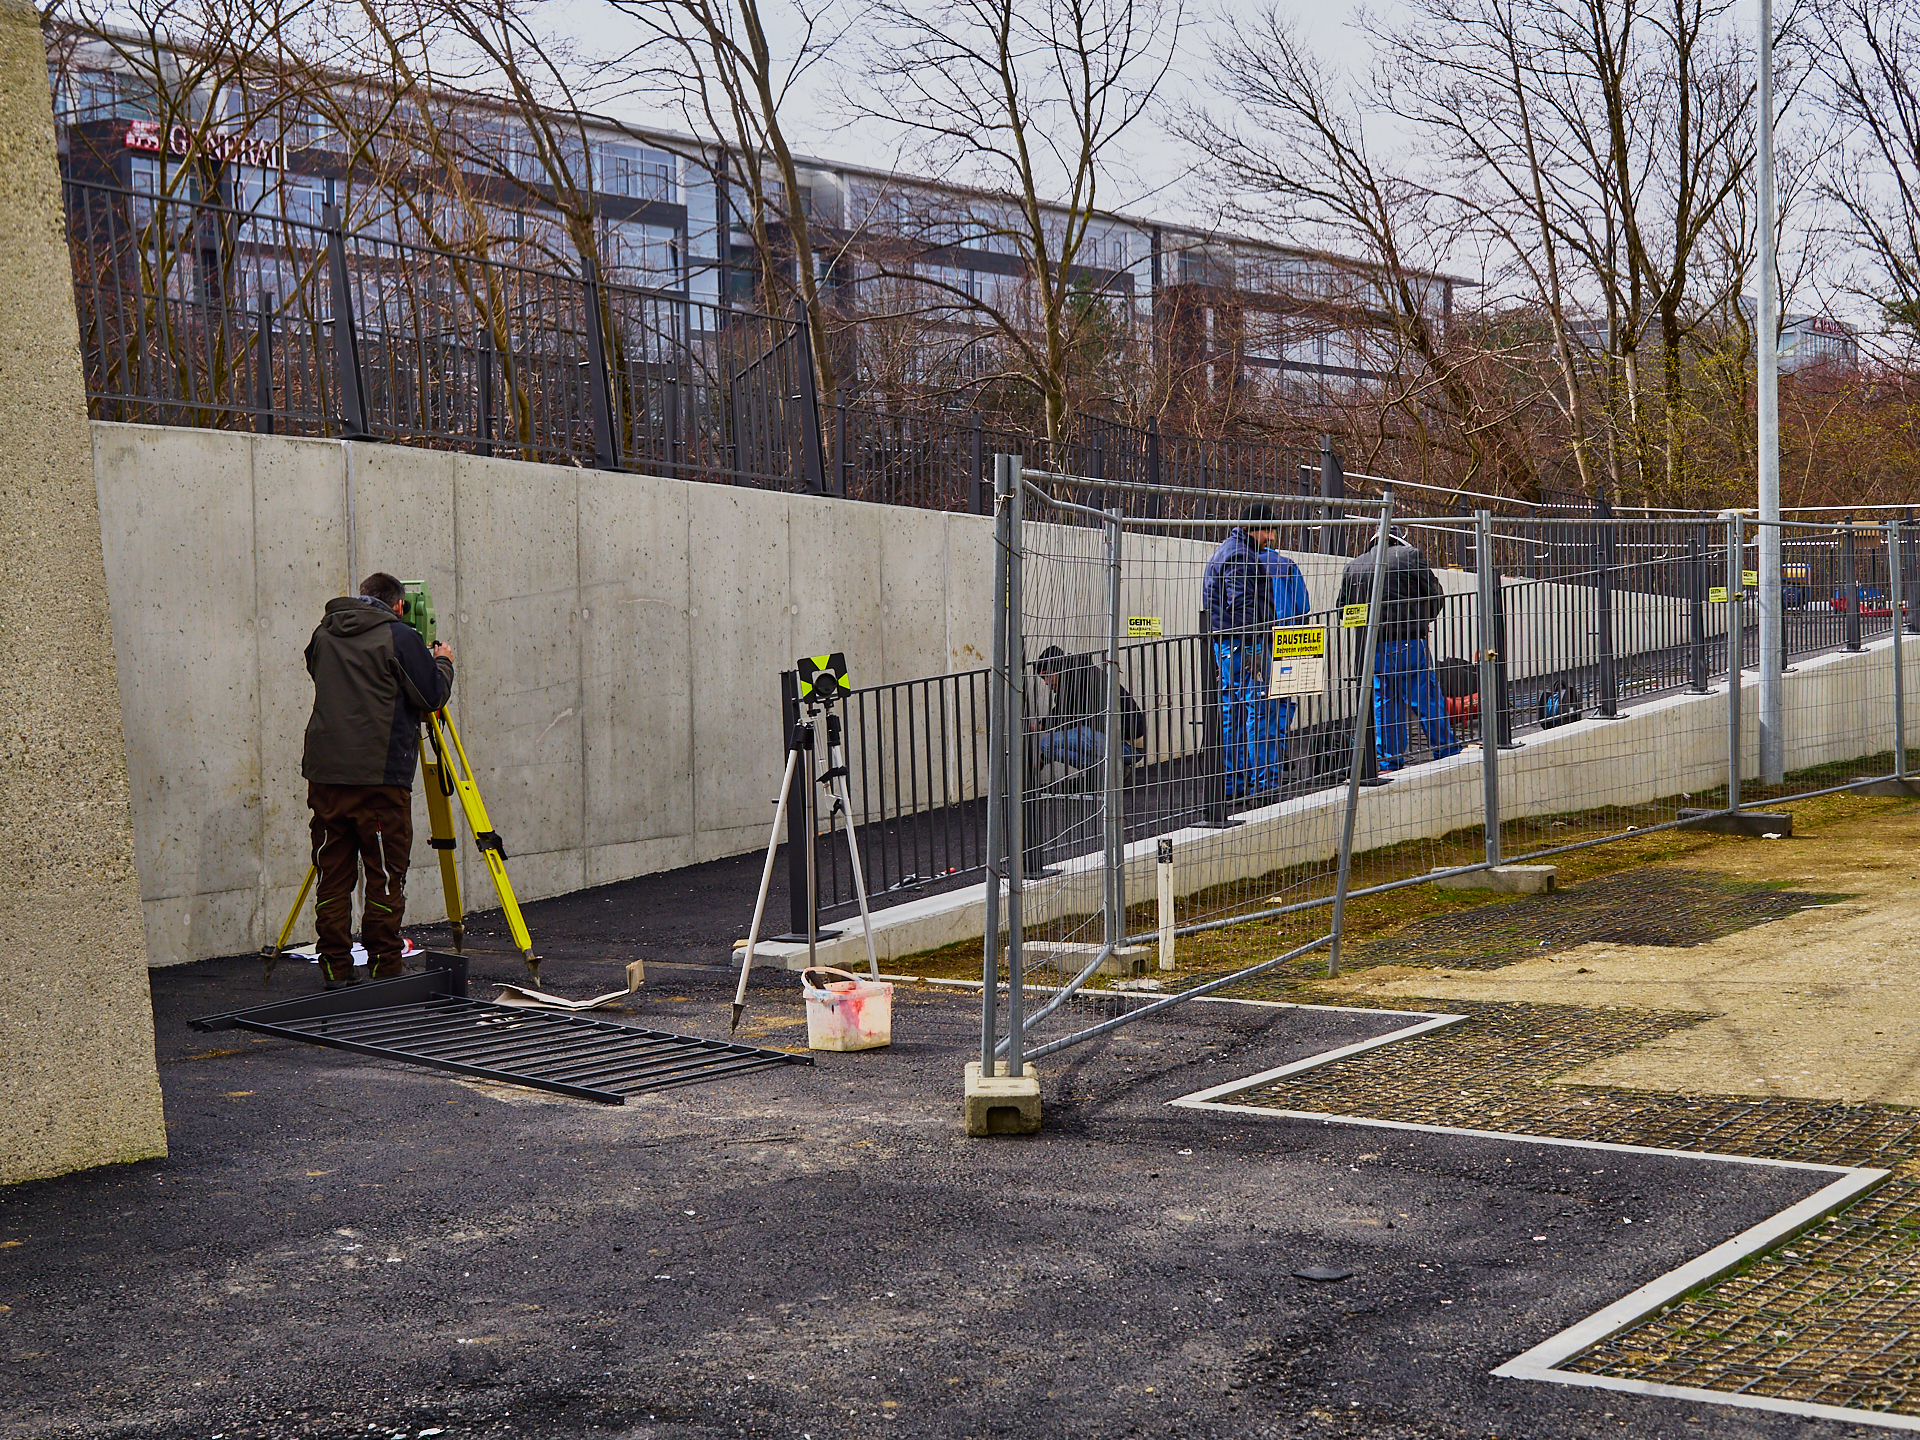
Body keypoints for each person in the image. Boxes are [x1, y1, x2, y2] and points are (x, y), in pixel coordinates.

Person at [302, 572, 455, 989]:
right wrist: (441, 662)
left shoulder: (324, 634)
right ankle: (384, 969)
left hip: (326, 776)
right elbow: (429, 697)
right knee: (385, 875)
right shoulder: (399, 637)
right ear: (399, 605)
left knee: (332, 874)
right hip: (379, 777)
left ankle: (334, 969)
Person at [1337, 531, 1461, 771]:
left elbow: (1343, 609)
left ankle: (1389, 759)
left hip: (1372, 645)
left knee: (1385, 703)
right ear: (1398, 541)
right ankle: (1446, 751)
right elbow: (1435, 594)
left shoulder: (1354, 567)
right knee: (1426, 699)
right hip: (1408, 641)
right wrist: (1421, 623)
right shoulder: (1411, 556)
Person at [1202, 502, 1283, 799]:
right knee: (1260, 712)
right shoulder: (1240, 556)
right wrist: (1254, 646)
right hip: (1245, 644)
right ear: (1253, 527)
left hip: (1228, 643)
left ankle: (1231, 784)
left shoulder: (1228, 551)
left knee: (1231, 712)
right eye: (1268, 531)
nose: (1271, 538)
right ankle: (1264, 787)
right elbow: (1243, 604)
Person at [1030, 645, 1146, 781]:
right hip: (1126, 742)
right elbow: (1065, 716)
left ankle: (1107, 771)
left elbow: (1065, 717)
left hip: (1127, 744)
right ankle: (1106, 771)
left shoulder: (1078, 680)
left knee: (1048, 744)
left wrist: (1040, 727)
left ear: (1059, 668)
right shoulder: (1078, 676)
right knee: (1055, 746)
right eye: (1043, 678)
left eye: (1048, 675)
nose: (1047, 683)